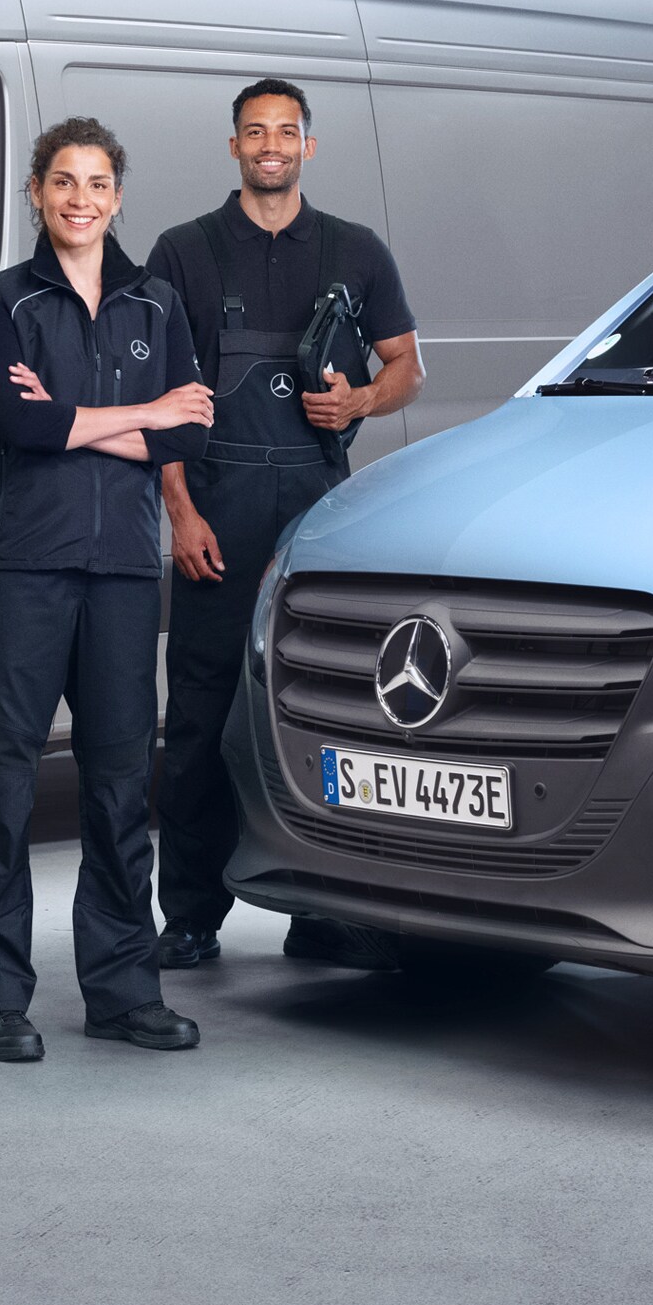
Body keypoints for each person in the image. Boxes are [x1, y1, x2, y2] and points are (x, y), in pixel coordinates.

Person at [0, 119, 215, 1063]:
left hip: (122, 575)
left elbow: (187, 439)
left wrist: (79, 420)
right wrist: (140, 413)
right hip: (23, 565)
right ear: (35, 191)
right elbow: (20, 427)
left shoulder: (155, 304)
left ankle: (120, 989)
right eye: (63, 182)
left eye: (97, 184)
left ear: (117, 197)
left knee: (113, 788)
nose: (80, 199)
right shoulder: (5, 300)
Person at [148, 78, 423, 970]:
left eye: (286, 132)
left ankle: (323, 908)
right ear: (232, 146)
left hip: (318, 519)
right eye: (254, 132)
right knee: (195, 720)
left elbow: (406, 368)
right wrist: (180, 514)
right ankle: (190, 915)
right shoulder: (183, 252)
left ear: (309, 145)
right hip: (217, 518)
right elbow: (156, 402)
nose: (271, 145)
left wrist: (360, 404)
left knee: (322, 719)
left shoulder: (356, 250)